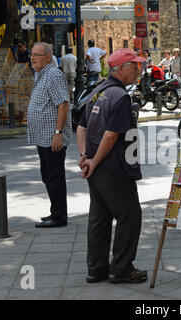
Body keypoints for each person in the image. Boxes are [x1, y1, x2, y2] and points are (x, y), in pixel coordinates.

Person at [76, 48, 148, 284]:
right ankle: (121, 268)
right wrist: (94, 161)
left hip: (97, 167)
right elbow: (111, 134)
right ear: (121, 68)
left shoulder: (98, 91)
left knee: (100, 217)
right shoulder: (120, 96)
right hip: (114, 166)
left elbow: (82, 128)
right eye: (134, 66)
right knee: (130, 215)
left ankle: (96, 269)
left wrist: (85, 157)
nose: (138, 70)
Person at [27, 42, 71, 228]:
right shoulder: (41, 74)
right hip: (43, 137)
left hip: (52, 137)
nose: (32, 57)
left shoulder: (53, 75)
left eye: (37, 54)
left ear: (47, 57)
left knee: (54, 177)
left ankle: (59, 217)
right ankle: (55, 212)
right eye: (32, 54)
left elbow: (63, 104)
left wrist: (58, 133)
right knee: (47, 176)